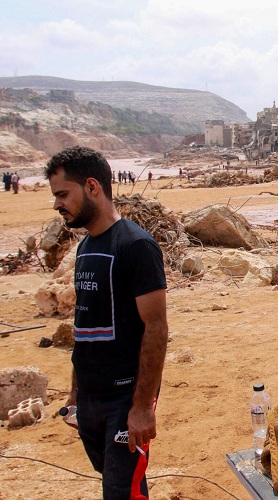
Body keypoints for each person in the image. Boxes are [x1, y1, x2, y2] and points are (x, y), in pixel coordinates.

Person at [44, 146, 168, 499]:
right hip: (91, 397)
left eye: (63, 194)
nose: (57, 204)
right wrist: (75, 392)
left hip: (125, 398)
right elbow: (84, 324)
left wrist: (142, 407)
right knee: (118, 484)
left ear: (93, 187)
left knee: (121, 492)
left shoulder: (136, 246)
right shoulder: (85, 248)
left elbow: (156, 328)